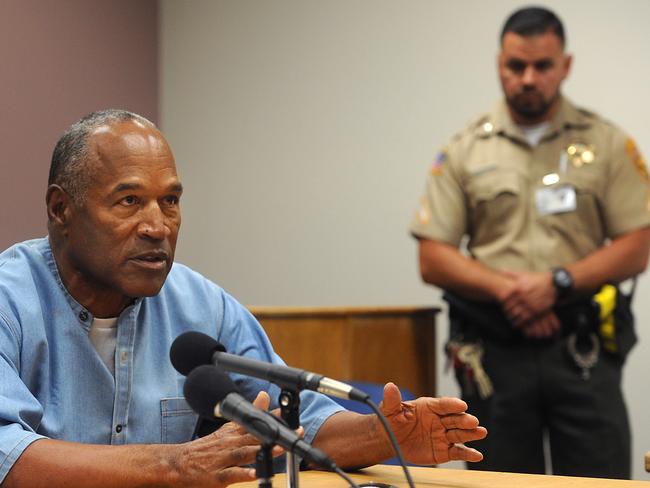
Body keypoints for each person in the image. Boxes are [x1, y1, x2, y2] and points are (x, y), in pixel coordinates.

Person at [0, 109, 487, 488]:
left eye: (170, 201)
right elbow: (6, 454)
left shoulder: (200, 306)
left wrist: (382, 436)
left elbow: (296, 419)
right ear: (60, 208)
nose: (157, 226)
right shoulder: (10, 300)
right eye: (129, 201)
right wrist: (175, 466)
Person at [410, 6, 650, 479]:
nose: (527, 78)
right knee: (496, 478)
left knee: (599, 480)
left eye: (542, 66)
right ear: (499, 63)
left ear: (566, 66)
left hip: (581, 351)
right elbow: (433, 255)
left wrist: (557, 283)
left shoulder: (605, 144)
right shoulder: (465, 149)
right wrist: (510, 290)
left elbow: (638, 241)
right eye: (515, 66)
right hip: (493, 355)